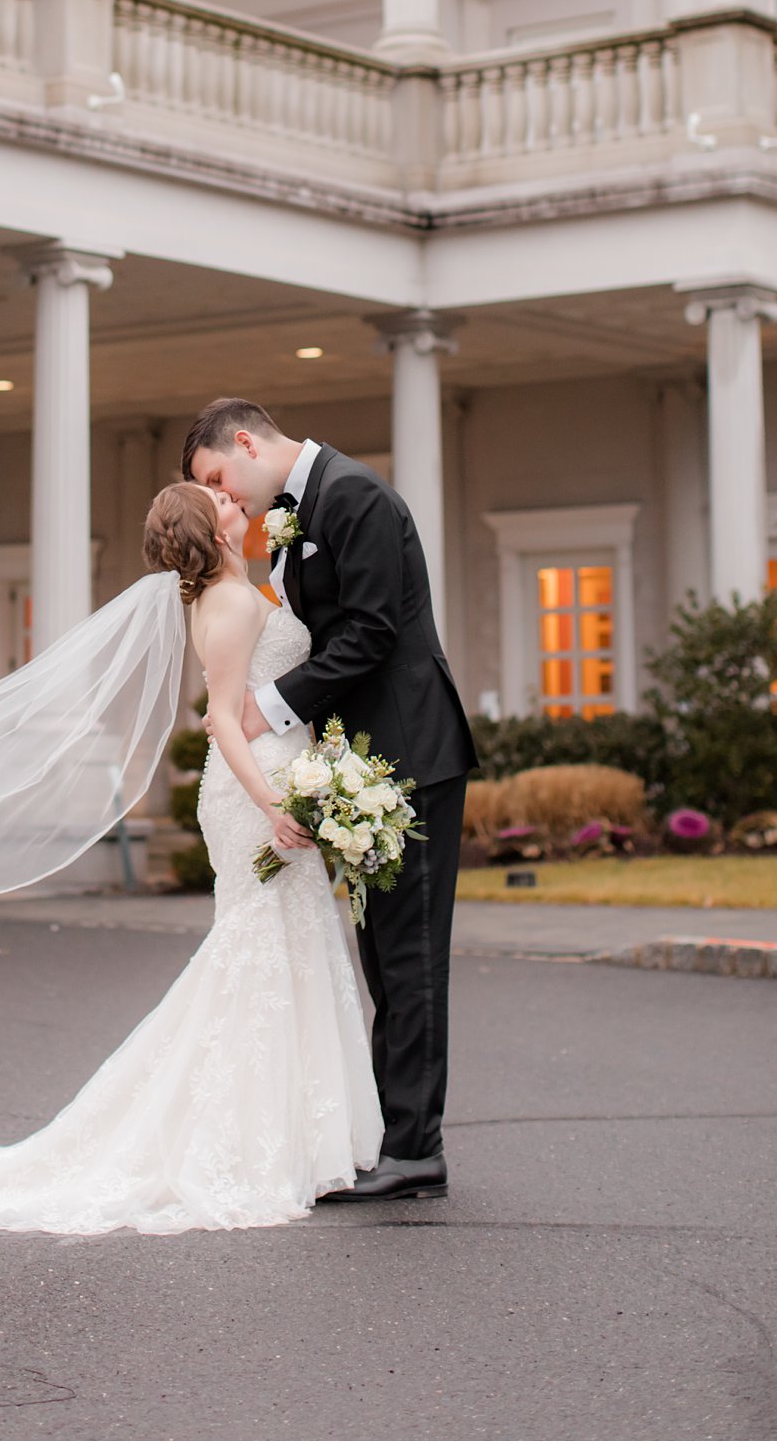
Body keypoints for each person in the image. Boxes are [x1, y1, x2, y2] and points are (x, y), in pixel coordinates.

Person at [0, 479, 382, 1235]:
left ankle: (295, 1134)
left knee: (281, 948)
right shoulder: (235, 604)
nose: (242, 506)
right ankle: (264, 1141)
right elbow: (219, 718)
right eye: (227, 508)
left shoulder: (236, 592)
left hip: (271, 780)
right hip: (255, 794)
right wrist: (275, 805)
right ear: (214, 536)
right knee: (262, 952)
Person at [185, 396, 477, 1202]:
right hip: (365, 761)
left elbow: (373, 630)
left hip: (414, 753)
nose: (228, 498)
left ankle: (416, 1149)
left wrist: (270, 705)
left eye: (218, 476)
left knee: (410, 954)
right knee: (385, 953)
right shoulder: (297, 509)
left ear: (244, 442)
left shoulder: (354, 497)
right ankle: (396, 1135)